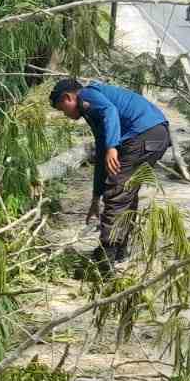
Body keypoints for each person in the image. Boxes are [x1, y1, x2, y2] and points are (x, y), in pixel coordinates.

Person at [49, 78, 171, 267]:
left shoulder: (86, 95)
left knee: (117, 192)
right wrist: (96, 197)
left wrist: (112, 147)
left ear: (68, 97)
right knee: (126, 191)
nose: (64, 114)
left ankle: (106, 258)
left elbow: (110, 111)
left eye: (61, 108)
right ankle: (120, 250)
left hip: (143, 133)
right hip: (156, 134)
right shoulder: (92, 112)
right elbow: (101, 155)